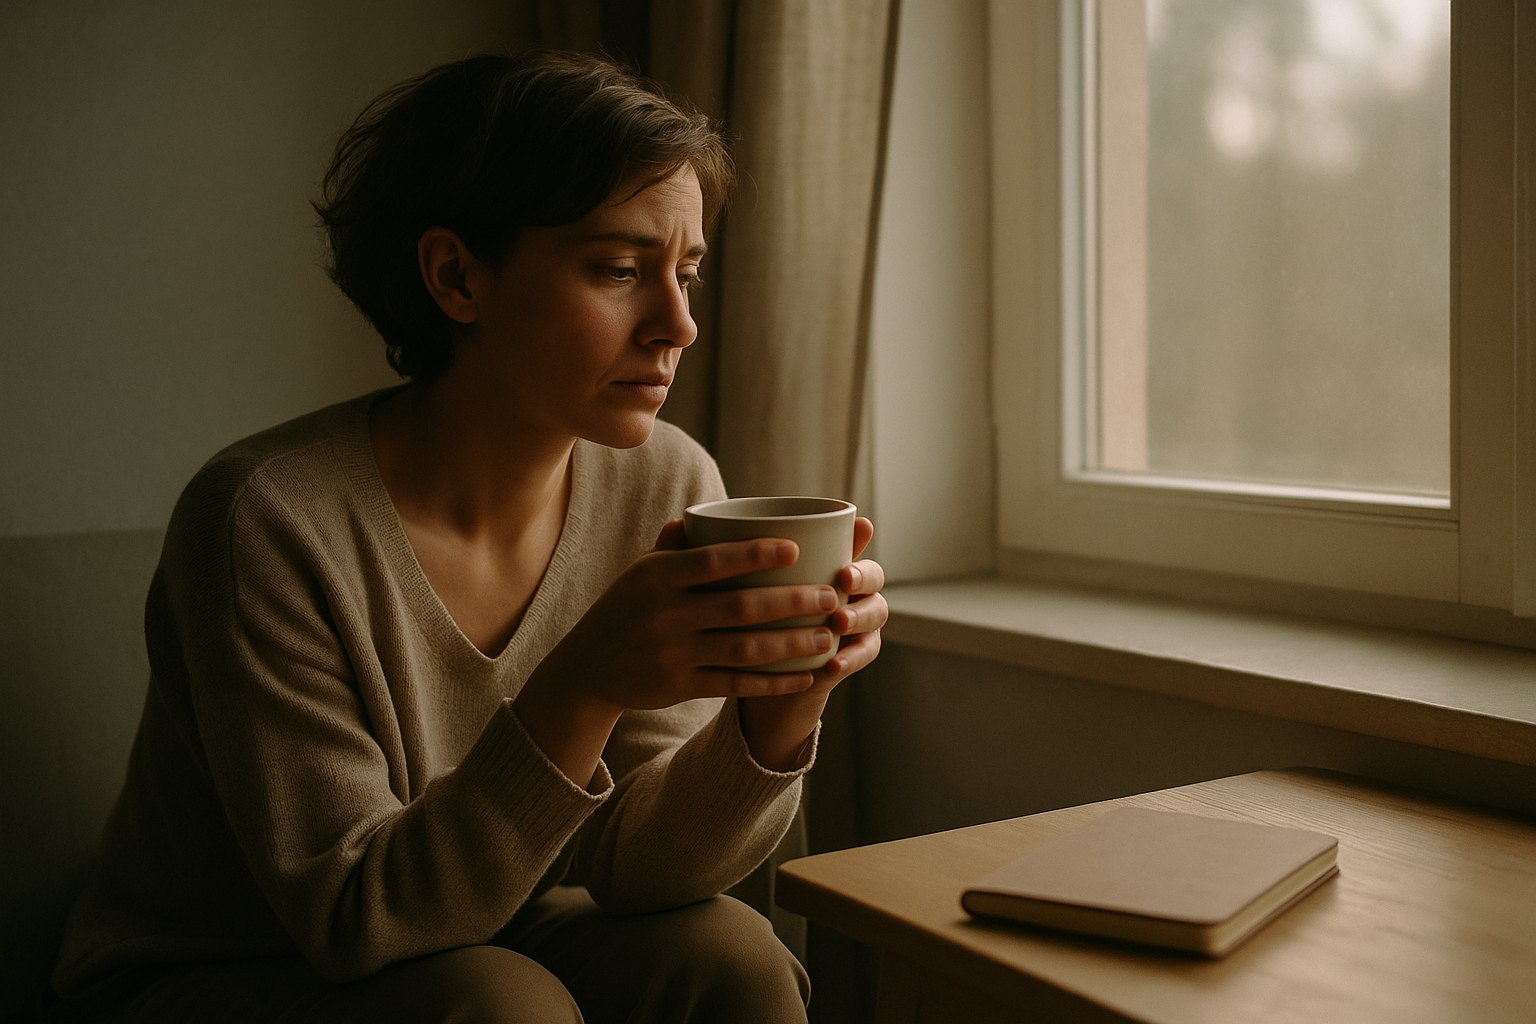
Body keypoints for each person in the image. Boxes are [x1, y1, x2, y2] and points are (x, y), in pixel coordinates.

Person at [48, 50, 887, 1023]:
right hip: (220, 968)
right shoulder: (264, 521)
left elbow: (642, 872)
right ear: (456, 276)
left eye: (686, 272)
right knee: (501, 1006)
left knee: (731, 955)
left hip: (491, 925)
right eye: (618, 269)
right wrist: (584, 681)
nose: (679, 325)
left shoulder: (669, 479)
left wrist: (780, 706)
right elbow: (355, 914)